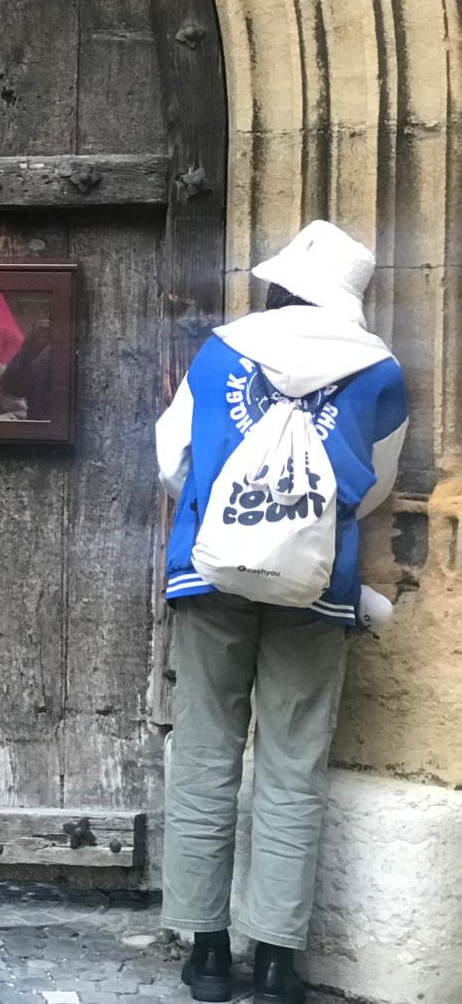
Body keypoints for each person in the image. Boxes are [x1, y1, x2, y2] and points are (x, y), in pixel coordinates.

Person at [154, 220, 408, 1003]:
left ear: (280, 285)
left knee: (205, 754)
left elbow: (171, 460)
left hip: (210, 576)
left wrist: (233, 519)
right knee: (294, 767)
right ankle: (275, 964)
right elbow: (374, 487)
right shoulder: (380, 370)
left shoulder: (220, 350)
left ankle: (205, 954)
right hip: (316, 586)